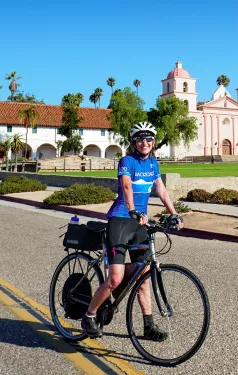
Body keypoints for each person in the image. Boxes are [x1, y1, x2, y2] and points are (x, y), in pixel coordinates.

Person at [81, 122, 184, 341]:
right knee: (115, 279)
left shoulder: (153, 163)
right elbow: (126, 186)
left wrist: (174, 212)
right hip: (121, 221)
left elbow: (160, 188)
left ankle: (148, 326)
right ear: (133, 142)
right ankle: (89, 315)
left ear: (153, 142)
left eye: (148, 139)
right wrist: (132, 210)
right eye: (140, 139)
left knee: (145, 275)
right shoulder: (127, 161)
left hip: (140, 225)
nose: (144, 143)